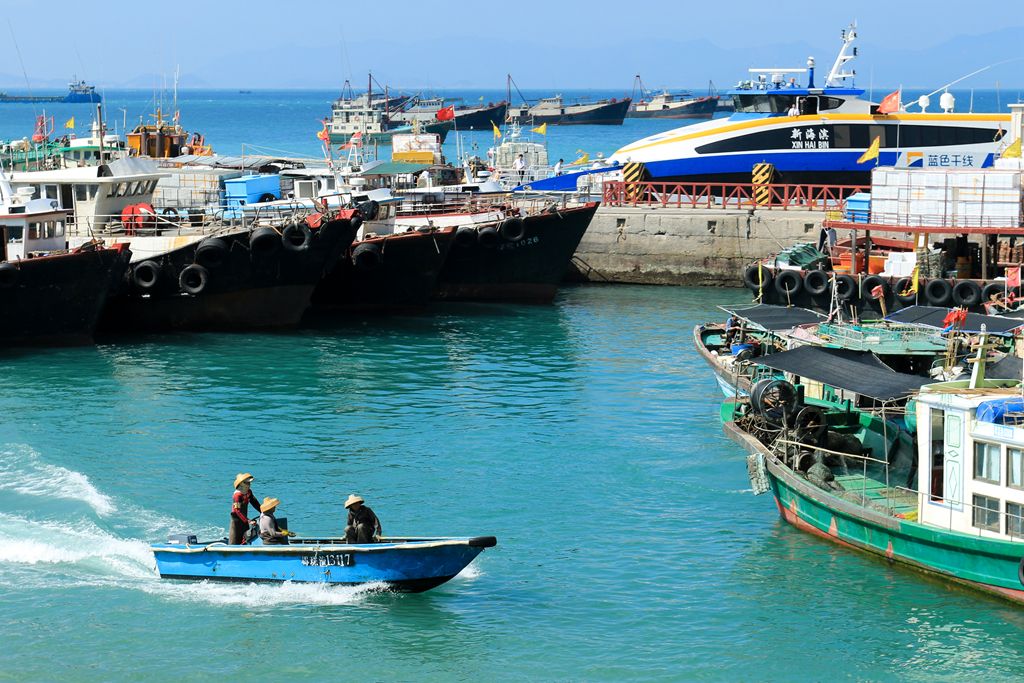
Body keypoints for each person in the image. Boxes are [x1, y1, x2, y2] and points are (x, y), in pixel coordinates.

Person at [229, 473, 260, 545]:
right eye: (247, 483)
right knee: (235, 537)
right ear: (241, 484)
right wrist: (248, 521)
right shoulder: (237, 495)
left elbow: (254, 502)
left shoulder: (249, 492)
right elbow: (237, 511)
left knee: (246, 535)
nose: (249, 485)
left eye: (249, 483)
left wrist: (262, 511)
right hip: (236, 519)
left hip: (244, 517)